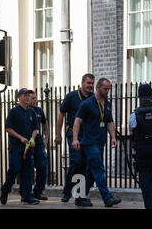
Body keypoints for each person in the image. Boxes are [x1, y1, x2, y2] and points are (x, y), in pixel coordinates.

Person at [72, 78, 121, 207]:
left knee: (91, 173)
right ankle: (107, 198)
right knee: (99, 169)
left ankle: (79, 197)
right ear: (98, 87)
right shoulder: (87, 104)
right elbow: (77, 121)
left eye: (109, 89)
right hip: (89, 142)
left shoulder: (108, 104)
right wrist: (75, 138)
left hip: (100, 142)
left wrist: (113, 137)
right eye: (105, 89)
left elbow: (109, 122)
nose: (108, 91)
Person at [55, 73, 95, 206]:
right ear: (82, 83)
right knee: (77, 161)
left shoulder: (94, 98)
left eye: (92, 83)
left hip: (88, 135)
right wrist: (58, 134)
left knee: (84, 165)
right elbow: (61, 115)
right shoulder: (71, 96)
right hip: (73, 133)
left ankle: (79, 194)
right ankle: (67, 191)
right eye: (88, 83)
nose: (90, 86)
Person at [0, 88, 40, 205]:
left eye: (28, 95)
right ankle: (5, 190)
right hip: (16, 148)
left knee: (28, 173)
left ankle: (27, 196)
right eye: (24, 95)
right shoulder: (14, 112)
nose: (27, 97)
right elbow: (8, 128)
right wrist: (20, 138)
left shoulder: (31, 112)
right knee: (14, 170)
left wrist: (32, 138)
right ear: (19, 97)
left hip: (28, 149)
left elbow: (35, 129)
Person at [129, 83, 152, 209]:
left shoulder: (134, 115)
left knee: (145, 177)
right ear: (151, 96)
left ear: (139, 97)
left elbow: (132, 132)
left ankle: (150, 206)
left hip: (143, 149)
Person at [24, 90, 48, 201]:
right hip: (26, 143)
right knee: (27, 169)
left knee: (42, 166)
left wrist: (46, 138)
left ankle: (38, 191)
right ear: (26, 99)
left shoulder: (39, 110)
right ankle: (26, 193)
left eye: (36, 98)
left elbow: (45, 124)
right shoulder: (23, 111)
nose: (35, 100)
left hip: (38, 143)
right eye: (33, 98)